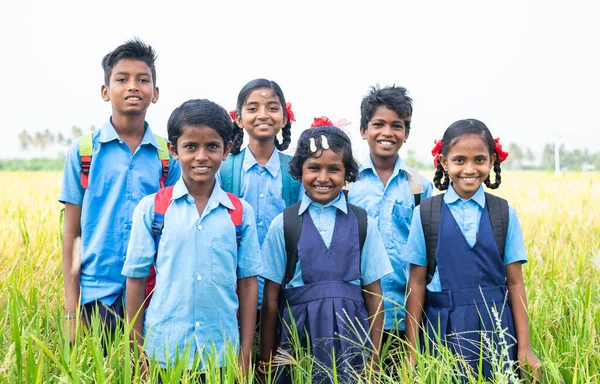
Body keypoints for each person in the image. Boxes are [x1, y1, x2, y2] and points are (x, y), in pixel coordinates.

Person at [122, 99, 262, 381]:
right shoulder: (152, 210)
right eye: (190, 147)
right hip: (163, 352)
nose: (201, 156)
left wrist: (245, 354)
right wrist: (136, 351)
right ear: (174, 150)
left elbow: (248, 283)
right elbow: (136, 280)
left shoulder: (240, 213)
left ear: (227, 150)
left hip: (221, 355)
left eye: (212, 146)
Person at [59, 38, 180, 344]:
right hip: (98, 295)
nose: (133, 86)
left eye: (143, 79)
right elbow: (72, 234)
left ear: (155, 93)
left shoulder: (167, 156)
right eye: (121, 79)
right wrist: (72, 311)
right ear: (105, 91)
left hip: (154, 293)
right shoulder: (84, 153)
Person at [404, 119, 542, 381]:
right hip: (441, 328)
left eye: (479, 160)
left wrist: (524, 348)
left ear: (491, 161)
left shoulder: (504, 213)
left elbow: (515, 283)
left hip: (497, 329)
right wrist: (412, 351)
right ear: (444, 163)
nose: (470, 169)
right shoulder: (425, 214)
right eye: (459, 160)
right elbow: (417, 282)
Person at [259, 117, 393, 384]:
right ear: (299, 170)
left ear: (347, 174)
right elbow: (271, 297)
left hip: (352, 341)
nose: (323, 178)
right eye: (313, 168)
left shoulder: (363, 223)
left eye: (334, 169)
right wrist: (267, 356)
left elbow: (374, 295)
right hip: (298, 341)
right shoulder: (284, 223)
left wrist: (374, 358)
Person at [348, 85, 432, 350]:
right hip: (356, 314)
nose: (387, 133)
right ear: (364, 131)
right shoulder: (347, 186)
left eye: (397, 125)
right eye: (378, 124)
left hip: (406, 315)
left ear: (406, 134)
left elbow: (429, 253)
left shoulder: (420, 187)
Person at [220, 78, 301, 317]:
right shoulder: (225, 168)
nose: (263, 115)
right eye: (253, 108)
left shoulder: (296, 171)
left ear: (285, 118)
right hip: (234, 286)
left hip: (282, 286)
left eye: (273, 108)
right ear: (238, 118)